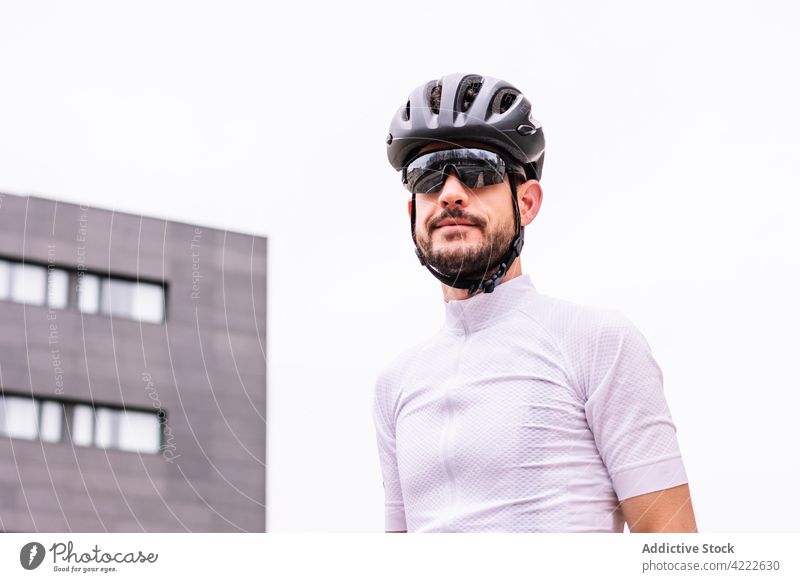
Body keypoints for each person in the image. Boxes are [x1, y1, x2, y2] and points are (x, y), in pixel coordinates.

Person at [373, 73, 697, 533]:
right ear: (414, 211)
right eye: (427, 178)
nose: (449, 193)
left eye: (476, 171)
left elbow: (673, 548)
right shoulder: (394, 384)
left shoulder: (597, 342)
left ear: (526, 203)